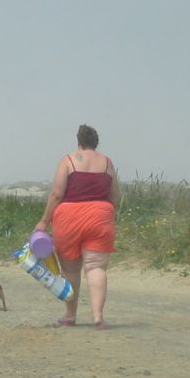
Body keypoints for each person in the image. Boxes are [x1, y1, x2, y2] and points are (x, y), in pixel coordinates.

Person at [35, 124, 119, 329]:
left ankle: (70, 315)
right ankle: (98, 317)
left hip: (69, 218)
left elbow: (56, 194)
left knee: (70, 270)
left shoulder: (68, 160)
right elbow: (115, 195)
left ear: (79, 142)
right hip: (99, 216)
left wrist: (44, 222)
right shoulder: (107, 163)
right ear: (96, 142)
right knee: (96, 267)